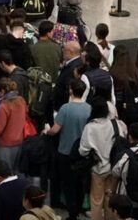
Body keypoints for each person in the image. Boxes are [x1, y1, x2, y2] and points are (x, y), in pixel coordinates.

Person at [45, 79, 91, 220]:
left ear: (71, 91)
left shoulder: (65, 108)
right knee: (80, 183)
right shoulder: (89, 108)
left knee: (68, 184)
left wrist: (47, 130)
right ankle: (78, 208)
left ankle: (72, 213)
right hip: (83, 152)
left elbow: (56, 129)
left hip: (65, 151)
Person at [79, 98, 125, 220]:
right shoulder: (114, 124)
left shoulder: (90, 127)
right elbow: (121, 141)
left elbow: (83, 150)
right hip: (113, 167)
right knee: (110, 198)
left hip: (97, 169)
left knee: (96, 200)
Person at [0, 77, 29, 172]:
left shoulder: (4, 106)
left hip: (5, 146)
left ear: (3, 91)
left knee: (4, 172)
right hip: (20, 142)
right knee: (15, 171)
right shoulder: (22, 101)